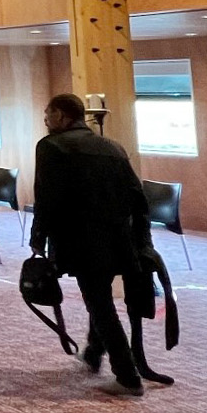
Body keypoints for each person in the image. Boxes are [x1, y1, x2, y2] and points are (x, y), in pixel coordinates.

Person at [30, 92, 151, 396]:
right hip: (120, 239)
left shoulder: (51, 146)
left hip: (82, 239)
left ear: (61, 115)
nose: (45, 119)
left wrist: (38, 238)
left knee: (99, 303)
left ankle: (127, 376)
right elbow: (138, 198)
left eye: (48, 113)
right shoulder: (113, 147)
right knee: (100, 295)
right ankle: (94, 353)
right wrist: (142, 243)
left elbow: (47, 197)